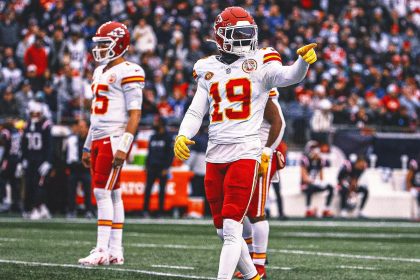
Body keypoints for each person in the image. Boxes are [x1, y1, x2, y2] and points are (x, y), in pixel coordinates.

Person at [174, 7, 316, 279]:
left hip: (245, 151)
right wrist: (183, 134)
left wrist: (303, 63)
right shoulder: (206, 67)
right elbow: (196, 110)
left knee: (231, 230)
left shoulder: (261, 60)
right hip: (215, 153)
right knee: (221, 230)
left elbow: (289, 76)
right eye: (237, 34)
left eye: (247, 33)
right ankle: (254, 277)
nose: (244, 39)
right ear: (221, 36)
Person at [78, 21, 144, 266]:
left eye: (106, 43)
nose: (101, 48)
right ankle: (115, 250)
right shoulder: (99, 71)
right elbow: (96, 114)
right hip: (98, 136)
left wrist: (124, 145)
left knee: (101, 193)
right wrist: (87, 145)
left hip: (114, 138)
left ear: (120, 44)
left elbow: (135, 114)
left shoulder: (130, 71)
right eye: (100, 43)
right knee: (114, 194)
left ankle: (101, 249)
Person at [236, 88, 286, 278]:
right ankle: (251, 258)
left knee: (256, 212)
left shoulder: (259, 90)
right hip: (244, 153)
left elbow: (279, 123)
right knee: (241, 210)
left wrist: (267, 151)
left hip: (260, 155)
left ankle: (259, 264)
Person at [21, 102, 53, 220]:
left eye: (37, 113)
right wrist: (23, 159)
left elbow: (49, 145)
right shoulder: (27, 125)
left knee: (39, 185)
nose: (34, 115)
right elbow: (23, 145)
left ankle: (37, 208)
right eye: (32, 113)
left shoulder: (45, 125)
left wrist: (47, 161)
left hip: (40, 160)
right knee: (29, 184)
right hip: (30, 159)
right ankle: (33, 208)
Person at [143, 117, 173, 217]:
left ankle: (160, 211)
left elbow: (170, 154)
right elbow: (149, 152)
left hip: (162, 168)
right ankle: (145, 210)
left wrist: (166, 168)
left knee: (161, 191)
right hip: (152, 167)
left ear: (162, 124)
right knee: (147, 190)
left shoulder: (168, 138)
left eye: (157, 122)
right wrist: (146, 165)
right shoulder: (152, 137)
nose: (154, 124)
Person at [65, 119, 94, 219]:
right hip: (74, 168)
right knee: (71, 190)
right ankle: (71, 210)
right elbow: (67, 154)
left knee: (88, 190)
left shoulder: (91, 140)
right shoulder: (72, 139)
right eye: (79, 126)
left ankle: (89, 210)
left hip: (86, 168)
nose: (81, 129)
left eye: (83, 127)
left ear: (87, 128)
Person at [300, 148, 334, 218]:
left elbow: (321, 177)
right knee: (310, 187)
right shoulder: (306, 160)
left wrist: (321, 183)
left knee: (330, 187)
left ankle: (326, 209)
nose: (316, 154)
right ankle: (308, 210)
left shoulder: (320, 161)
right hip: (305, 185)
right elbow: (304, 178)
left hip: (315, 184)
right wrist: (314, 181)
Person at [0, 118, 22, 213]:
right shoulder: (17, 132)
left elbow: (3, 142)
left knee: (2, 180)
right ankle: (16, 203)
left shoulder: (6, 132)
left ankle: (4, 202)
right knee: (14, 182)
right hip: (16, 159)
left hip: (8, 159)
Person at [407, 154, 420, 220]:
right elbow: (409, 181)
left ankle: (418, 215)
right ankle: (413, 214)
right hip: (414, 188)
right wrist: (415, 188)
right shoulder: (412, 172)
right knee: (413, 194)